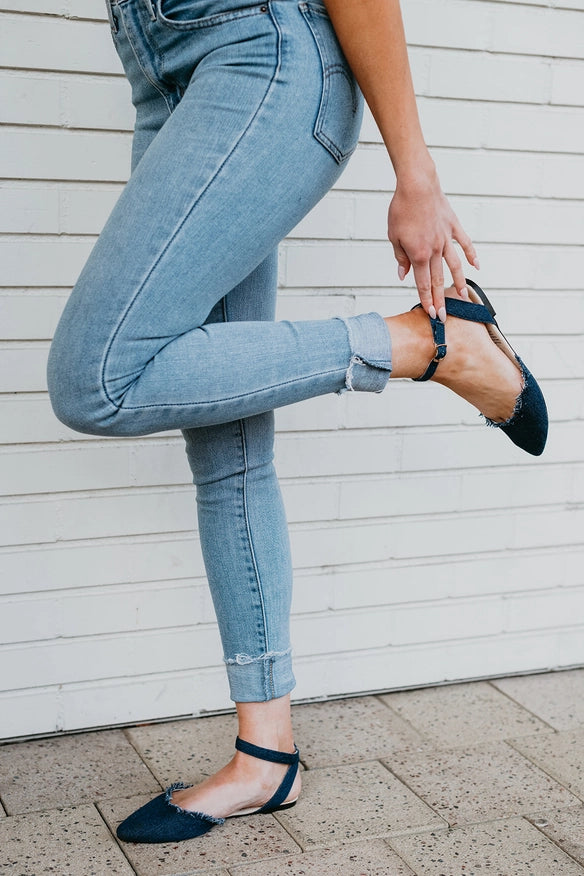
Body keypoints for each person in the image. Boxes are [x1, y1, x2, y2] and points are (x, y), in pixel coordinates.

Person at [46, 0, 547, 844]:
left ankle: (424, 344)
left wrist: (415, 170)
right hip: (164, 75)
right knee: (228, 443)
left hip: (259, 54)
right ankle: (265, 759)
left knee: (95, 376)